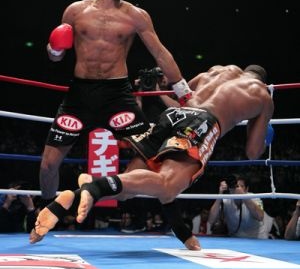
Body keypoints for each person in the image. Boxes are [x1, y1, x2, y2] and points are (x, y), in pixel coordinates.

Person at [30, 64, 274, 249]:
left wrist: (156, 90)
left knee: (126, 189)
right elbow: (253, 152)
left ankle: (74, 196)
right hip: (202, 124)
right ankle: (94, 187)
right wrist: (265, 136)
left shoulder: (217, 70)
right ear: (262, 80)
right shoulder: (262, 94)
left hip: (173, 116)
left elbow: (182, 100)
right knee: (167, 186)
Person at [39, 0, 192, 208]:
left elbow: (160, 53)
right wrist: (54, 50)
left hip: (118, 96)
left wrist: (182, 90)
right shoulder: (75, 11)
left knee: (152, 159)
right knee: (48, 164)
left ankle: (175, 225)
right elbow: (56, 57)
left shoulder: (136, 16)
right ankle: (45, 213)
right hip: (79, 95)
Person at [207, 174, 273, 239]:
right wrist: (220, 195)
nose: (237, 188)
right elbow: (211, 220)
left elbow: (260, 216)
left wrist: (243, 196)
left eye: (241, 186)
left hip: (257, 239)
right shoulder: (226, 200)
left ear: (247, 189)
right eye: (235, 186)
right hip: (235, 241)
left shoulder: (255, 198)